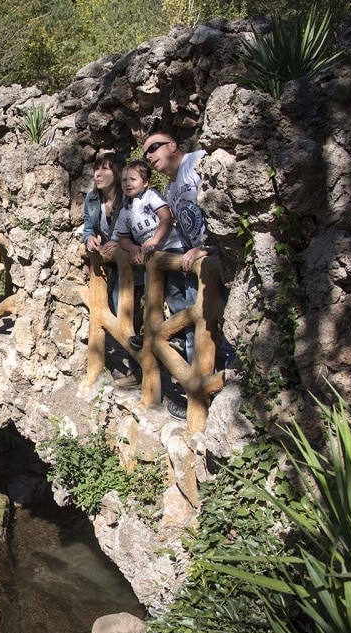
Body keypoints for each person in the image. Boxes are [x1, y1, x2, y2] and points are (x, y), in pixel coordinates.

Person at [142, 131, 232, 419]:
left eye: (153, 148)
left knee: (224, 331)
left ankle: (218, 400)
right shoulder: (170, 189)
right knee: (198, 331)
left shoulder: (197, 163)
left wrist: (206, 249)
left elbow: (222, 205)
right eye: (145, 153)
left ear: (173, 145)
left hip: (221, 261)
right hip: (198, 266)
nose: (149, 155)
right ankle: (201, 398)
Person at [112, 160, 178, 346]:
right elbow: (122, 238)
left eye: (133, 179)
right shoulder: (125, 210)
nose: (127, 183)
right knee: (150, 298)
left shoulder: (151, 196)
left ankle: (179, 335)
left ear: (146, 182)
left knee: (174, 294)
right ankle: (149, 334)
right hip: (151, 259)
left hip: (171, 248)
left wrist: (155, 239)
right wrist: (133, 248)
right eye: (124, 180)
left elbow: (166, 217)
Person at [81, 152, 126, 314]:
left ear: (117, 172)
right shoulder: (92, 199)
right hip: (110, 262)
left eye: (105, 169)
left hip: (132, 261)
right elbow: (87, 228)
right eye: (96, 169)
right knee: (115, 310)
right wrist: (89, 238)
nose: (98, 173)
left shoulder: (128, 198)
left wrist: (121, 241)